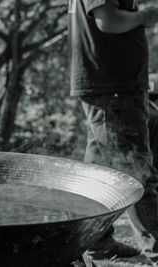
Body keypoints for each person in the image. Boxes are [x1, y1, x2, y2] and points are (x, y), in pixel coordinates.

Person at [69, 0, 158, 258]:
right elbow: (109, 21)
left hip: (108, 85)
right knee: (136, 172)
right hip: (115, 86)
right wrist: (147, 15)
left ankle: (96, 242)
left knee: (98, 173)